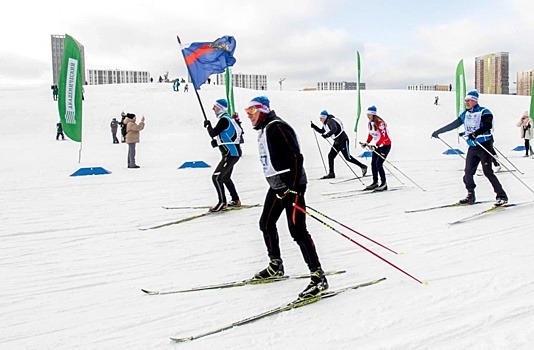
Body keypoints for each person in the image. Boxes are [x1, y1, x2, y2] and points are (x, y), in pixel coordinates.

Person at [244, 96, 328, 299]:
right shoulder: (264, 129)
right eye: (247, 113)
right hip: (277, 187)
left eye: (253, 111)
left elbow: (296, 157)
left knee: (298, 231)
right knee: (266, 223)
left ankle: (318, 277)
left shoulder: (277, 127)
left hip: (292, 186)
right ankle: (276, 265)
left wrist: (293, 189)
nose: (250, 116)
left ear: (263, 110)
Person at [431, 90, 508, 206]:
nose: (466, 102)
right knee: (468, 173)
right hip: (473, 147)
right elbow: (454, 124)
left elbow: (488, 125)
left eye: (468, 100)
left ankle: (502, 196)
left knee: (488, 172)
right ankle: (470, 195)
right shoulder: (465, 114)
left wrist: (475, 134)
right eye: (465, 100)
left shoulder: (484, 111)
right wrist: (438, 132)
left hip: (484, 145)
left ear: (474, 101)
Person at [203, 99, 242, 212]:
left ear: (220, 108)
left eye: (215, 106)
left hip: (230, 154)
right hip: (232, 153)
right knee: (225, 177)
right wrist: (218, 143)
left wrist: (208, 125)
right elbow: (226, 135)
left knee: (216, 177)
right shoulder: (227, 119)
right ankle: (235, 200)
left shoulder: (224, 119)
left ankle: (222, 202)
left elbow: (213, 133)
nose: (213, 109)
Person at [311, 110, 367, 179]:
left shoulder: (330, 121)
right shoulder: (325, 123)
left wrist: (327, 135)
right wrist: (314, 126)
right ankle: (331, 173)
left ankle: (363, 166)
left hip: (343, 141)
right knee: (330, 156)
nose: (320, 120)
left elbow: (334, 129)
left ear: (325, 117)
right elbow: (322, 131)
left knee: (348, 158)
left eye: (321, 118)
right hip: (337, 142)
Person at [359, 106, 392, 191]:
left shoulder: (380, 123)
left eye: (369, 114)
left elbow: (384, 137)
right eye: (367, 114)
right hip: (378, 145)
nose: (368, 116)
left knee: (379, 164)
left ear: (373, 114)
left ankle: (384, 184)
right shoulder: (370, 123)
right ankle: (375, 182)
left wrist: (377, 145)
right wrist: (367, 143)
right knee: (373, 163)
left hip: (385, 146)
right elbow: (371, 134)